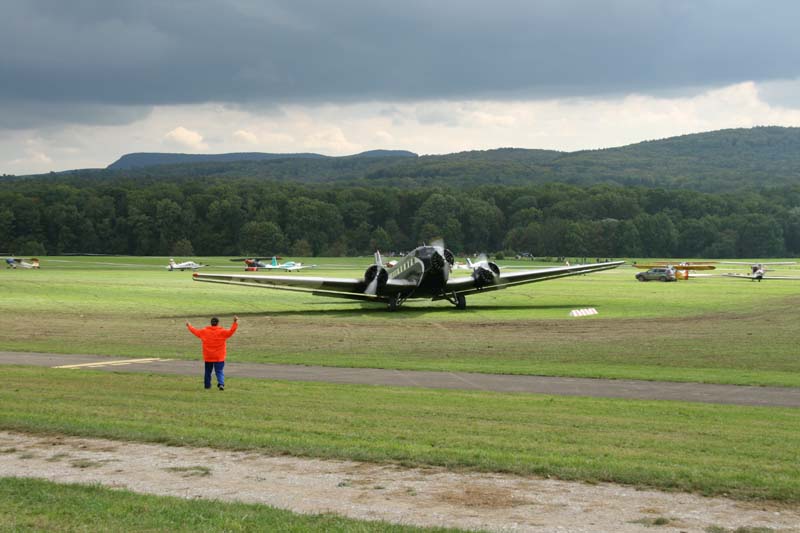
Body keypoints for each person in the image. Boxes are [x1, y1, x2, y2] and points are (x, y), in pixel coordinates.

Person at [186, 316, 238, 390]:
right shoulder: (222, 331)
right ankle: (221, 383)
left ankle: (207, 386)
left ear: (211, 323)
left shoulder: (204, 331)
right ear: (218, 323)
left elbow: (195, 331)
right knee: (219, 371)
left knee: (207, 372)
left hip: (208, 356)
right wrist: (235, 322)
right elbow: (231, 331)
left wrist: (189, 326)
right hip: (219, 356)